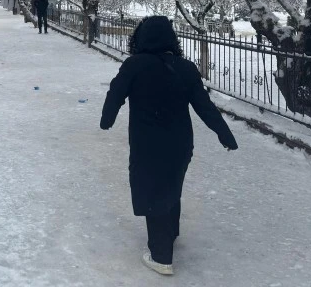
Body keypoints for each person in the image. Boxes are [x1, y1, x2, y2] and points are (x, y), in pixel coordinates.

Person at [99, 16, 238, 276]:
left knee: (152, 192)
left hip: (147, 144)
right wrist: (225, 135)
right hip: (180, 143)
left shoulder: (134, 65)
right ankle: (171, 233)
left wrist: (106, 121)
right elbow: (204, 107)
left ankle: (161, 255)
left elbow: (115, 94)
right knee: (172, 184)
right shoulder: (186, 68)